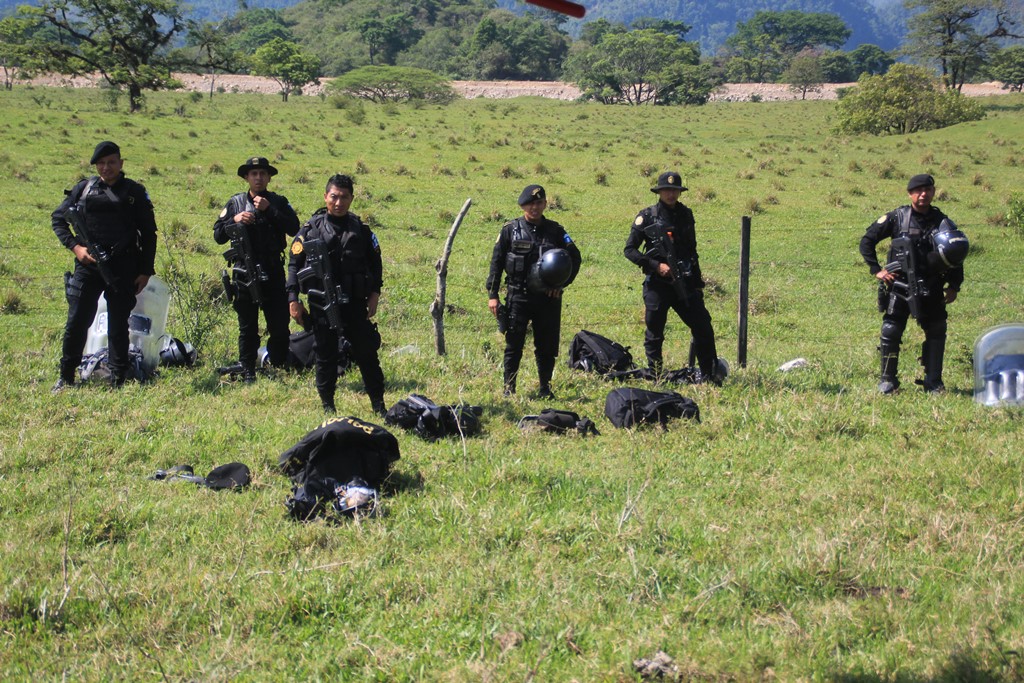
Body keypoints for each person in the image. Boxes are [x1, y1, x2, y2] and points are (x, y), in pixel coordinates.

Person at [51, 141, 158, 391]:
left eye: (111, 162)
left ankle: (118, 379)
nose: (106, 167)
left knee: (119, 325)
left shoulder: (134, 192)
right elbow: (58, 219)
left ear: (121, 164)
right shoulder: (84, 189)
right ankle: (66, 377)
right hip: (89, 267)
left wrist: (145, 271)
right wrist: (77, 248)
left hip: (124, 267)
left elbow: (149, 233)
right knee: (77, 321)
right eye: (101, 163)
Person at [287, 174, 386, 415]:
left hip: (354, 303)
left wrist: (375, 294)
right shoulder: (310, 229)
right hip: (321, 304)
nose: (338, 202)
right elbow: (293, 264)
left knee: (366, 353)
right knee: (325, 354)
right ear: (325, 197)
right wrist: (293, 299)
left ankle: (379, 405)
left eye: (344, 197)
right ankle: (328, 406)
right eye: (334, 197)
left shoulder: (361, 230)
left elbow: (376, 263)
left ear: (351, 199)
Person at [860, 173, 965, 394]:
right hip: (899, 286)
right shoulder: (897, 217)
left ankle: (933, 382)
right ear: (910, 194)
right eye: (918, 191)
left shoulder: (942, 222)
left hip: (932, 285)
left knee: (937, 330)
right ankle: (888, 382)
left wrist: (954, 285)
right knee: (891, 330)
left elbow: (955, 254)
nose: (923, 194)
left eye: (928, 190)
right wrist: (876, 270)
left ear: (934, 192)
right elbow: (867, 240)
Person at [624, 171, 721, 384]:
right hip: (658, 284)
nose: (671, 194)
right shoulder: (647, 216)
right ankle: (656, 375)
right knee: (655, 330)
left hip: (684, 282)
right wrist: (656, 265)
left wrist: (697, 283)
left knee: (703, 325)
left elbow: (692, 250)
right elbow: (630, 250)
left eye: (675, 190)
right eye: (667, 190)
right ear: (659, 192)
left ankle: (709, 375)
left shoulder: (686, 214)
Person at [487, 184, 581, 398]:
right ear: (523, 206)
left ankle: (545, 388)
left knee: (547, 346)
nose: (535, 208)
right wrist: (493, 295)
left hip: (548, 298)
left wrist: (561, 286)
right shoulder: (510, 230)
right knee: (514, 345)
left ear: (545, 204)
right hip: (518, 296)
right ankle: (509, 388)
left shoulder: (556, 231)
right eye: (530, 204)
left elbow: (575, 257)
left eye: (539, 203)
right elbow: (496, 263)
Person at [214, 156, 300, 382]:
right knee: (247, 325)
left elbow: (294, 228)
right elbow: (218, 235)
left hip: (272, 269)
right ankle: (247, 366)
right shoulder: (235, 203)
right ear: (246, 177)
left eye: (263, 173)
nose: (258, 178)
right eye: (254, 174)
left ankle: (279, 363)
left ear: (269, 177)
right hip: (244, 271)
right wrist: (235, 220)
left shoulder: (279, 201)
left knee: (279, 325)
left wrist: (270, 210)